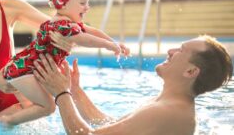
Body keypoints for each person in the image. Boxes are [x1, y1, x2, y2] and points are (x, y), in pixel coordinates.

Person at [0, 0, 130, 125]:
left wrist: (114, 43)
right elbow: (86, 39)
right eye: (82, 3)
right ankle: (7, 122)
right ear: (63, 3)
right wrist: (109, 45)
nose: (87, 7)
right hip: (24, 72)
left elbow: (93, 32)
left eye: (87, 3)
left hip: (23, 69)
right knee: (48, 107)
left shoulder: (67, 24)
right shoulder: (61, 25)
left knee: (31, 108)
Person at [33, 35, 233, 135]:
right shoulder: (166, 104)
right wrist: (75, 92)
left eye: (181, 50)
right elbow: (107, 125)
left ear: (190, 72)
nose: (171, 51)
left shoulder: (168, 112)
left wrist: (61, 93)